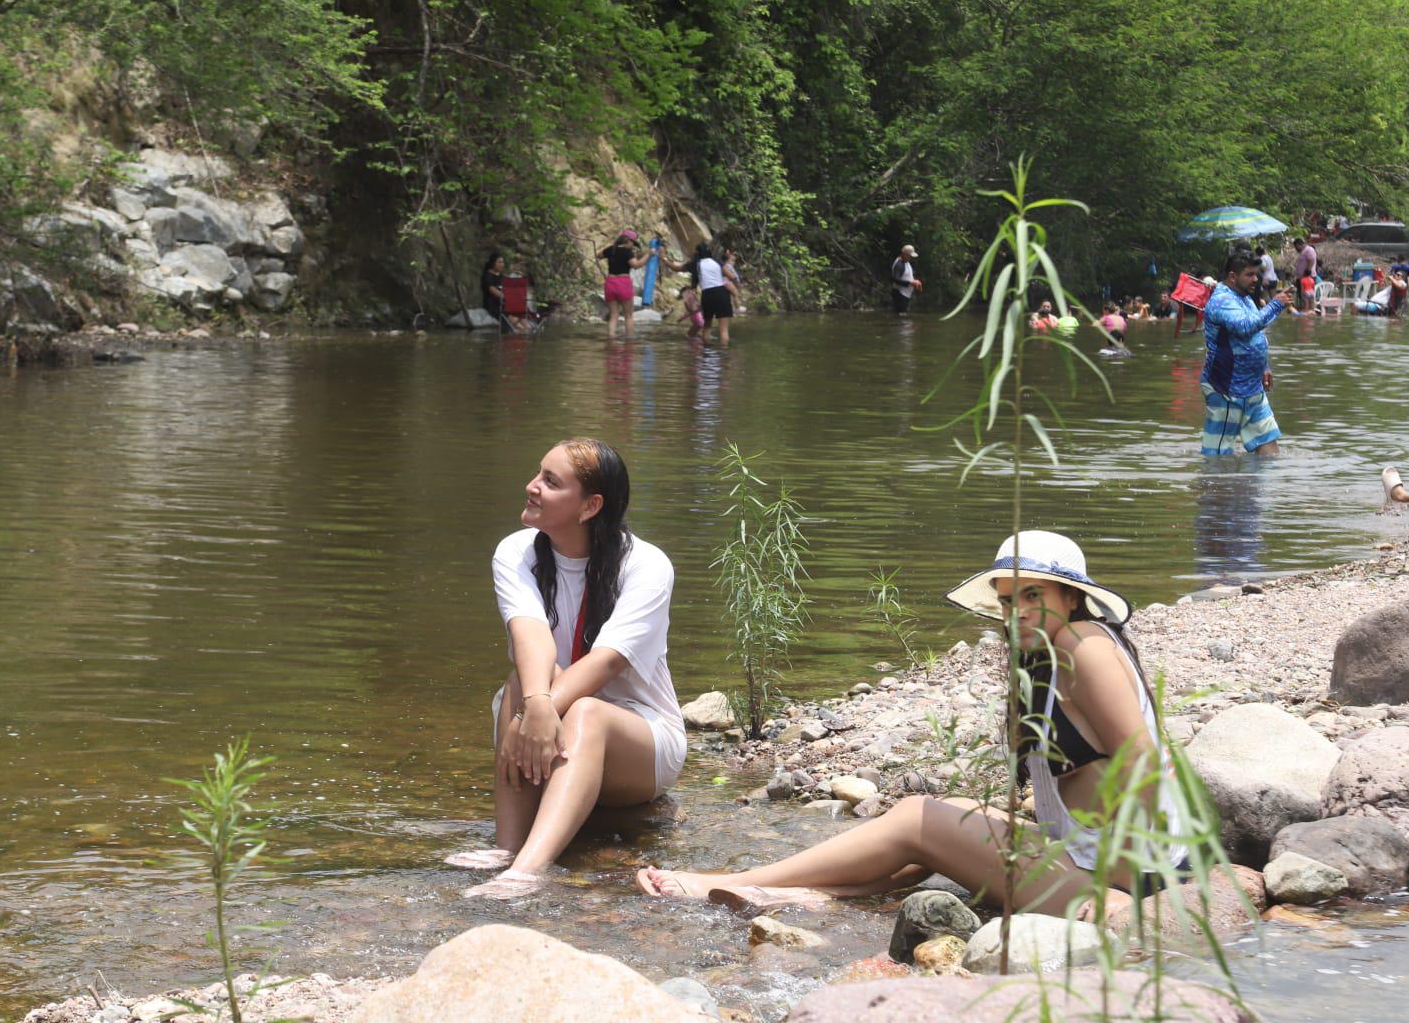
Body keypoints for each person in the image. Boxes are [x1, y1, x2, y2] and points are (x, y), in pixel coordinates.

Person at [636, 531, 1189, 918]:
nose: (1015, 611)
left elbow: (1142, 762)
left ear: (1071, 597)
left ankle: (729, 883)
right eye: (1006, 599)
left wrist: (1118, 890)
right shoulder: (1046, 654)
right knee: (919, 846)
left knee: (918, 819)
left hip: (1123, 883)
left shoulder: (1082, 647)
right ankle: (795, 897)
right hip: (1085, 860)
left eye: (1032, 595)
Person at [449, 438, 685, 898]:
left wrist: (540, 711)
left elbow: (607, 661)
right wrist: (534, 704)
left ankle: (528, 870)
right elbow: (530, 636)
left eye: (550, 482)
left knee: (586, 712)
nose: (531, 487)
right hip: (551, 722)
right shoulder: (516, 552)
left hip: (642, 741)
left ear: (590, 506)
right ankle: (508, 846)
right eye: (538, 474)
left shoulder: (646, 565)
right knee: (521, 683)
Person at [1200, 252, 1292, 456]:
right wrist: (1276, 304)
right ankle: (1216, 488)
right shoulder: (1221, 300)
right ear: (1232, 277)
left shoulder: (1246, 299)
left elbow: (1256, 336)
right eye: (1250, 274)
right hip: (1225, 388)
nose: (1256, 279)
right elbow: (1245, 327)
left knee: (1270, 453)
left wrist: (1264, 367)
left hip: (1253, 389)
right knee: (1217, 458)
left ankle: (1257, 488)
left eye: (1256, 274)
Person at [599, 230, 651, 336]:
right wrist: (648, 254)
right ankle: (630, 342)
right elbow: (636, 265)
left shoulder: (611, 249)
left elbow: (599, 255)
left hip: (610, 284)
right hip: (623, 284)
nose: (632, 246)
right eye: (632, 243)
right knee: (628, 316)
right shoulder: (628, 252)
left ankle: (611, 339)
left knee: (613, 315)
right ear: (628, 240)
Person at [681, 242, 733, 345]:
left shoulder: (696, 264)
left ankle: (706, 353)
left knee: (707, 327)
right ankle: (725, 355)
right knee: (723, 331)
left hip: (707, 295)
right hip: (721, 293)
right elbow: (732, 276)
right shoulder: (716, 261)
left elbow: (676, 268)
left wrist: (664, 260)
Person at [891, 244, 922, 314]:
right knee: (900, 317)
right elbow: (895, 280)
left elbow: (906, 276)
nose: (911, 258)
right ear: (904, 254)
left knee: (902, 316)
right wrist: (910, 283)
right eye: (910, 256)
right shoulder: (899, 264)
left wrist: (915, 282)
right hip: (899, 295)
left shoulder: (905, 262)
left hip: (904, 295)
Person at [1291, 238, 1317, 309]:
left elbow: (1311, 260)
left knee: (1306, 297)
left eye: (1296, 247)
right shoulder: (1303, 251)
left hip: (1307, 277)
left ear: (1299, 244)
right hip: (1302, 277)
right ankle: (1305, 310)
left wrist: (1307, 272)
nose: (1296, 249)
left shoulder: (1309, 250)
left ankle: (1308, 311)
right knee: (1302, 296)